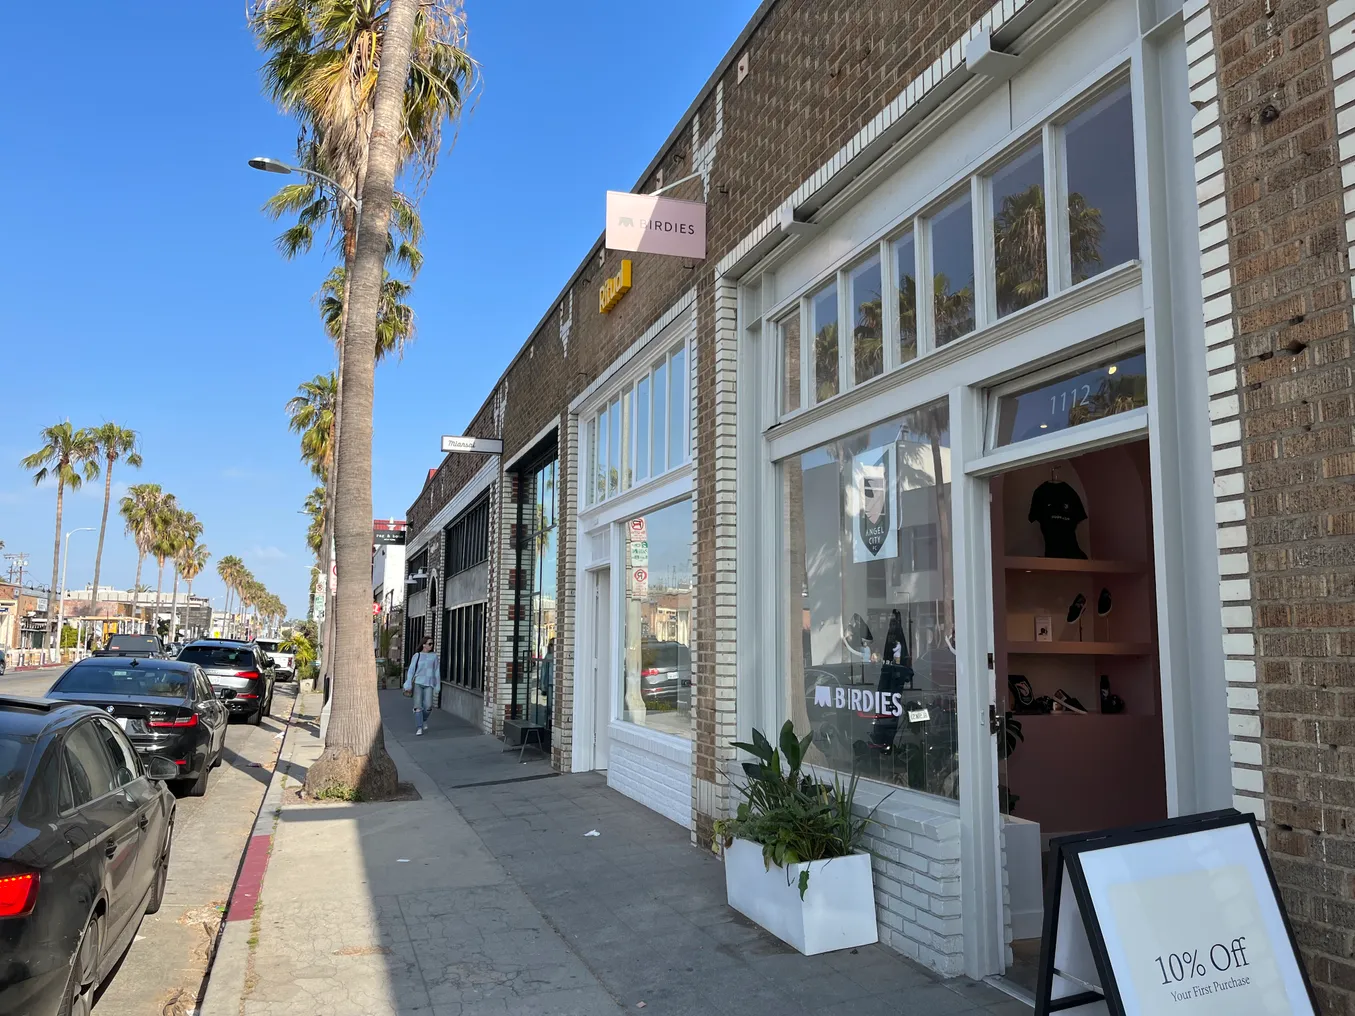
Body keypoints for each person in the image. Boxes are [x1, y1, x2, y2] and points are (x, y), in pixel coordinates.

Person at [403, 636, 439, 735]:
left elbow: (436, 671)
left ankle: (423, 719)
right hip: (418, 683)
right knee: (418, 706)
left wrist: (437, 685)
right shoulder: (417, 656)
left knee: (428, 706)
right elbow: (411, 670)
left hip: (429, 683)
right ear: (424, 644)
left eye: (432, 644)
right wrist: (408, 682)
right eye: (429, 644)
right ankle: (419, 727)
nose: (431, 646)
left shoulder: (434, 656)